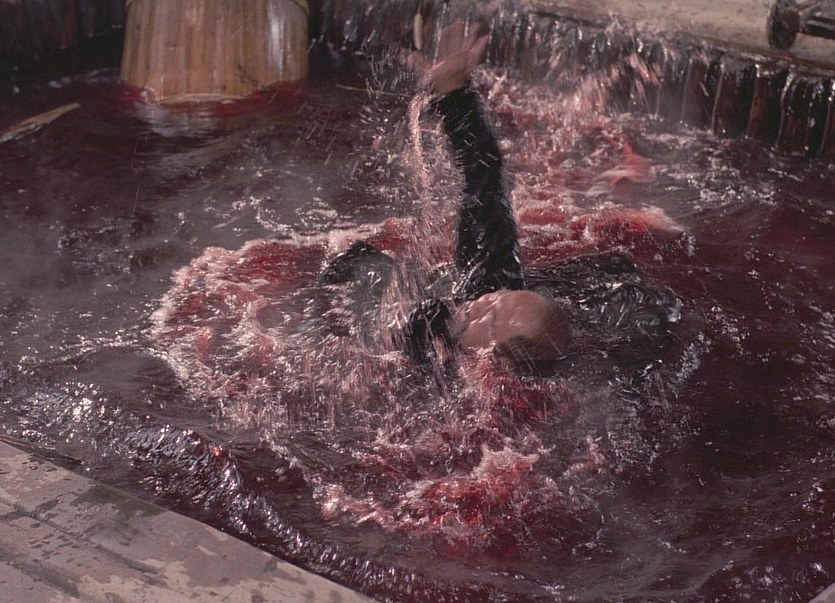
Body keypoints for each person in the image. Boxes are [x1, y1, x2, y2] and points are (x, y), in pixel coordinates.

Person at [314, 21, 677, 374]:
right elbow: (485, 184)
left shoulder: (442, 361)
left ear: (492, 363)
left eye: (490, 319)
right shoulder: (481, 296)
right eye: (496, 300)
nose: (482, 304)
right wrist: (455, 94)